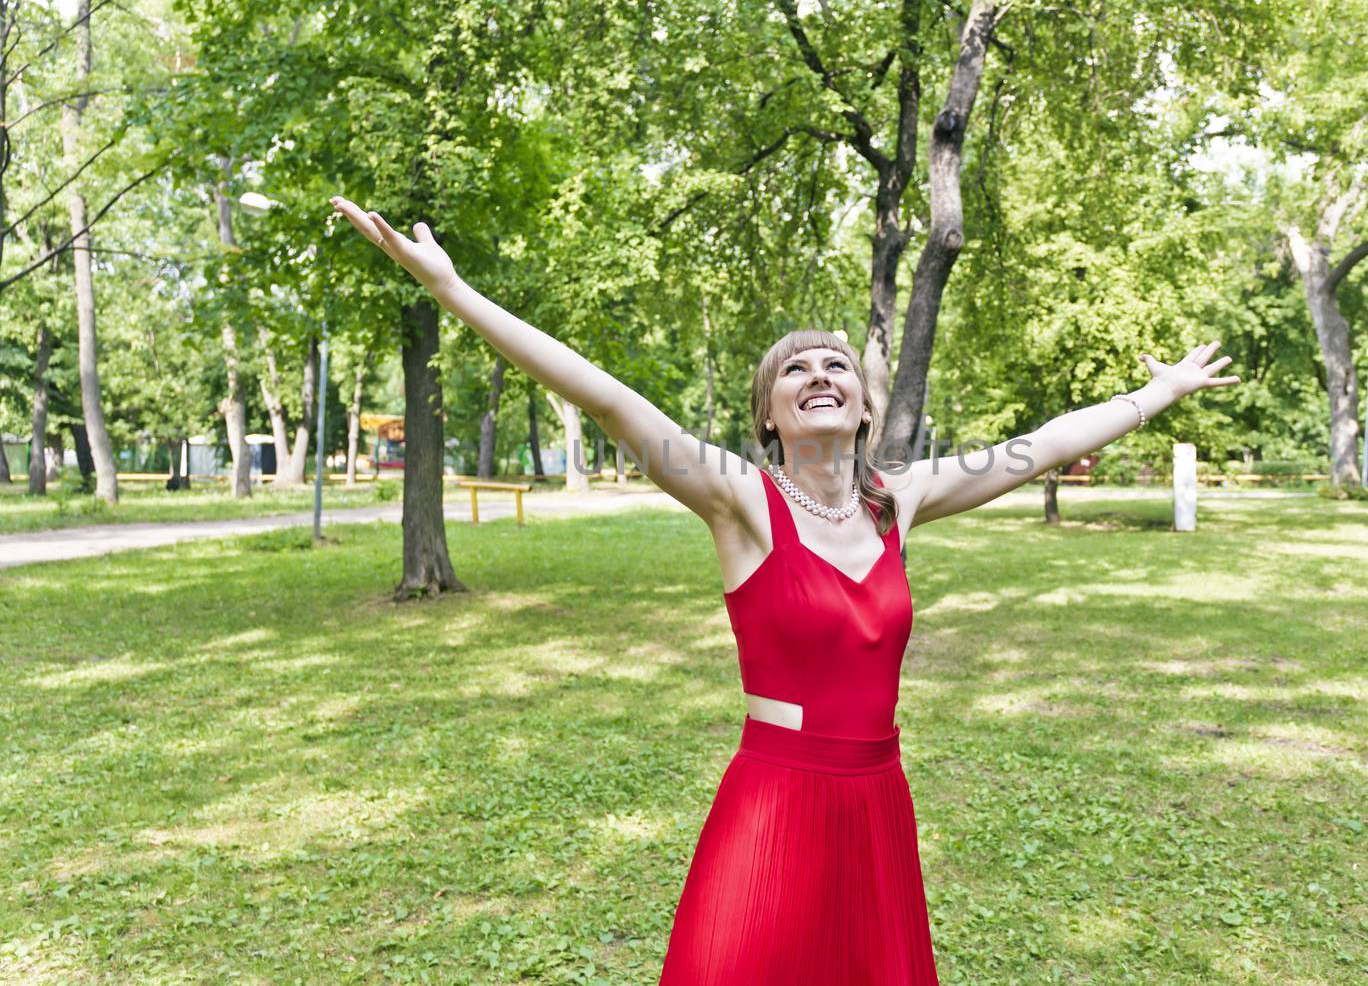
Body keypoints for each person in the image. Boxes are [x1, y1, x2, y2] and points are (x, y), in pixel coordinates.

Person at [329, 197, 1239, 984]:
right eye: (794, 369)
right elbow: (608, 399)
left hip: (876, 800)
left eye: (837, 365)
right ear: (768, 414)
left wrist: (1152, 395)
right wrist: (451, 290)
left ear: (866, 406)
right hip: (774, 800)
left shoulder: (899, 500)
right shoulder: (741, 500)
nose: (819, 376)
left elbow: (1041, 444)